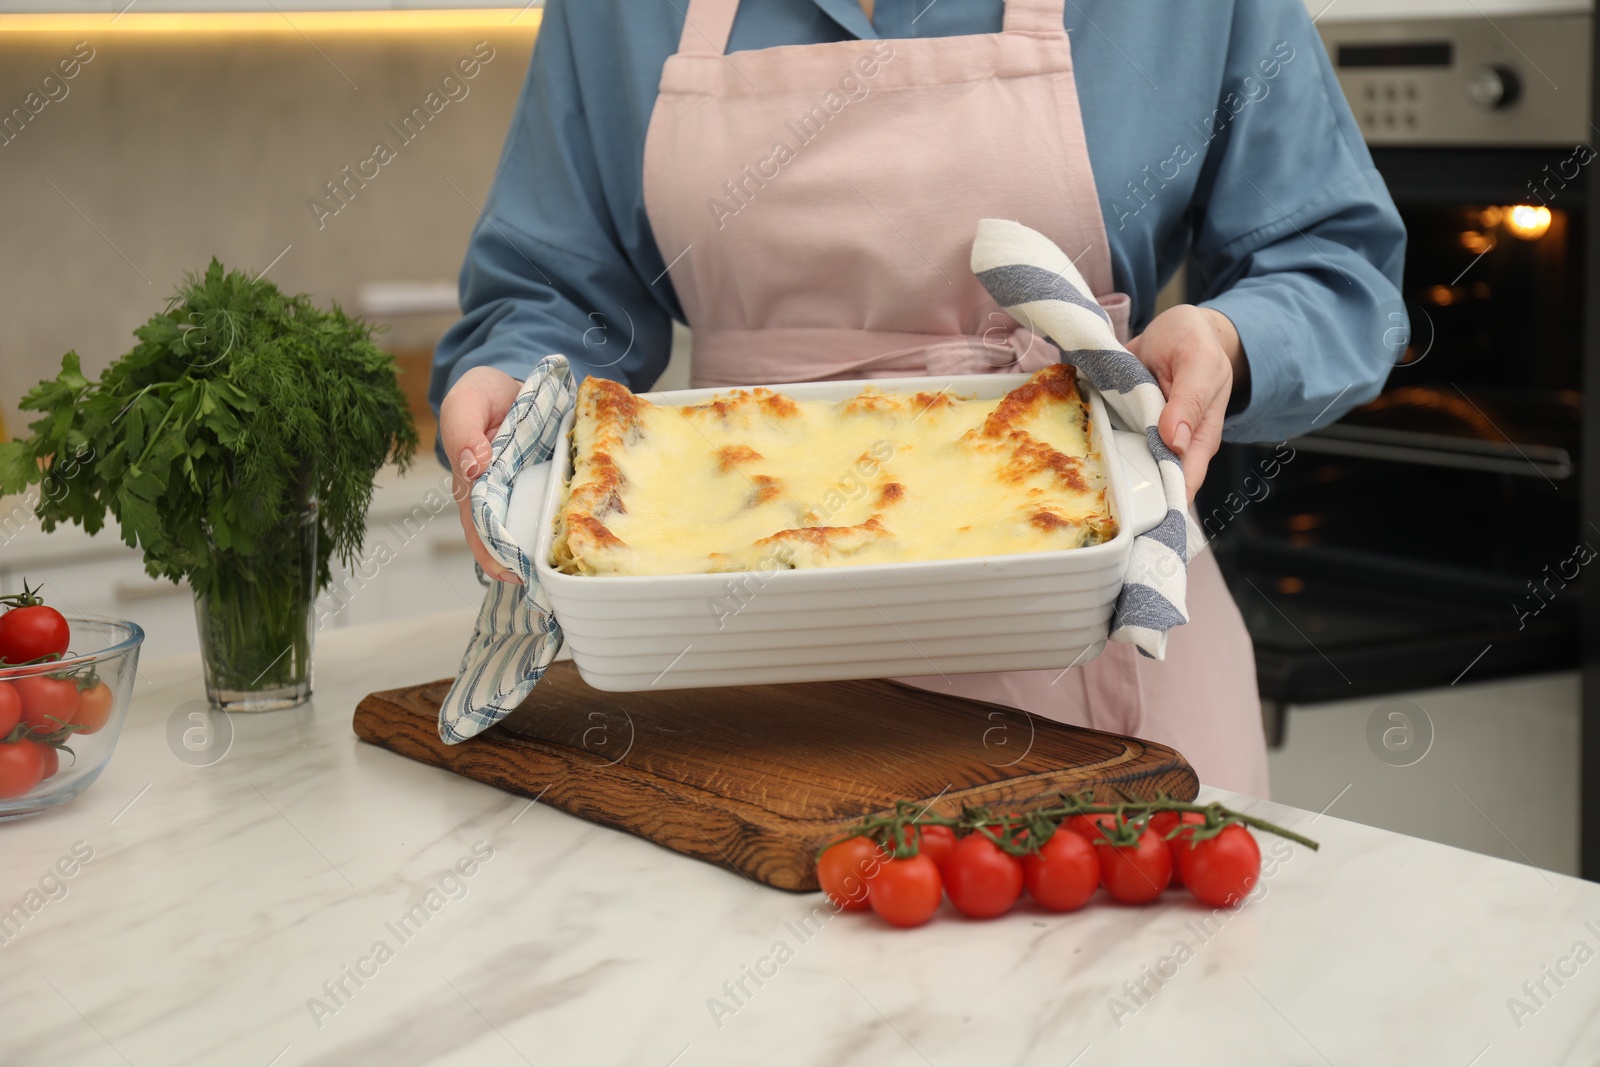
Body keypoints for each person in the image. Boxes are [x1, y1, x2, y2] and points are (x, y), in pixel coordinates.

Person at [429, 0, 1406, 797]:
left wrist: (1226, 337)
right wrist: (511, 391)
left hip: (1100, 663)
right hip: (727, 668)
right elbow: (554, 296)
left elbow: (1336, 270)